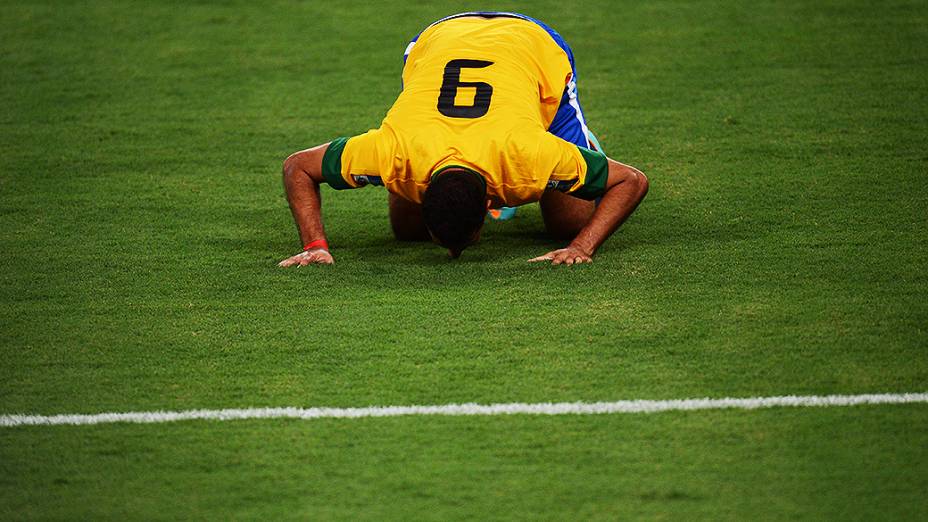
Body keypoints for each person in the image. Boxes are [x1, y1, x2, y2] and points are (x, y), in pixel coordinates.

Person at [279, 11, 648, 267]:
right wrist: (314, 247)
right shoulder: (392, 150)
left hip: (533, 46)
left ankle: (585, 149)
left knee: (567, 225)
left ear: (489, 203)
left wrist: (582, 247)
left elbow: (630, 180)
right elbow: (298, 167)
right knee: (407, 233)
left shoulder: (532, 154)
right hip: (439, 38)